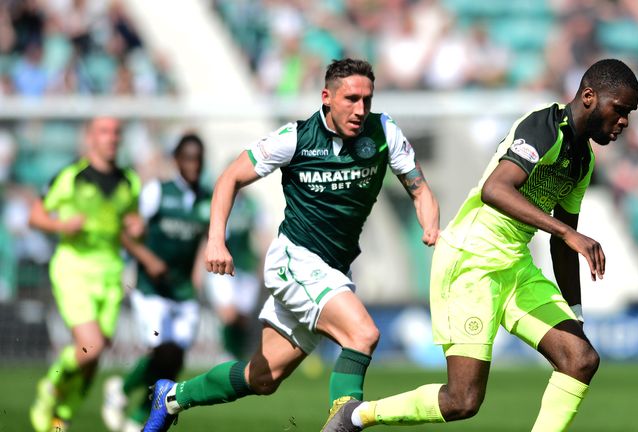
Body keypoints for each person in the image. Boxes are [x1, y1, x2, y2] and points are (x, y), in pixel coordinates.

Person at [323, 58, 638, 432]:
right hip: (471, 259)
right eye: (620, 109)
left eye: (629, 114)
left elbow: (563, 243)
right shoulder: (544, 126)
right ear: (588, 96)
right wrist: (566, 234)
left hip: (515, 265)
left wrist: (575, 314)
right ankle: (355, 415)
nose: (624, 121)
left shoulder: (582, 160)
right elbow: (495, 189)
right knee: (462, 400)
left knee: (580, 358)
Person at [142, 58, 440, 431]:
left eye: (367, 99)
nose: (360, 109)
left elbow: (419, 188)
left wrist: (431, 226)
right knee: (362, 334)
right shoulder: (295, 138)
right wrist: (216, 240)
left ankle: (172, 396)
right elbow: (231, 177)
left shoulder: (383, 132)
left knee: (262, 377)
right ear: (327, 97)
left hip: (332, 270)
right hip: (295, 260)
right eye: (351, 99)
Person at [28, 117, 142, 432]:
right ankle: (50, 386)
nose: (111, 138)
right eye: (104, 132)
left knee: (92, 358)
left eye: (116, 132)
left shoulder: (129, 182)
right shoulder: (70, 176)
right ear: (90, 138)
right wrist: (61, 225)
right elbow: (35, 216)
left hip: (111, 273)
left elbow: (131, 224)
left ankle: (61, 417)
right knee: (91, 346)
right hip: (74, 268)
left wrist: (137, 228)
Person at [101, 133, 211, 431]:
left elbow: (207, 239)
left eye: (198, 159)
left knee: (175, 358)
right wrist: (148, 259)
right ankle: (122, 391)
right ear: (176, 160)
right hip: (151, 288)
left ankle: (137, 418)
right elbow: (125, 232)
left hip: (183, 289)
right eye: (188, 158)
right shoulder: (157, 192)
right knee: (161, 349)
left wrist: (200, 272)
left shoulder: (207, 199)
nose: (194, 165)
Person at [205, 192, 267, 360]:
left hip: (246, 267)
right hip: (222, 266)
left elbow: (262, 235)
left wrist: (262, 265)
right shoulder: (216, 201)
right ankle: (226, 355)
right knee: (229, 314)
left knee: (242, 319)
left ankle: (237, 357)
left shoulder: (252, 204)